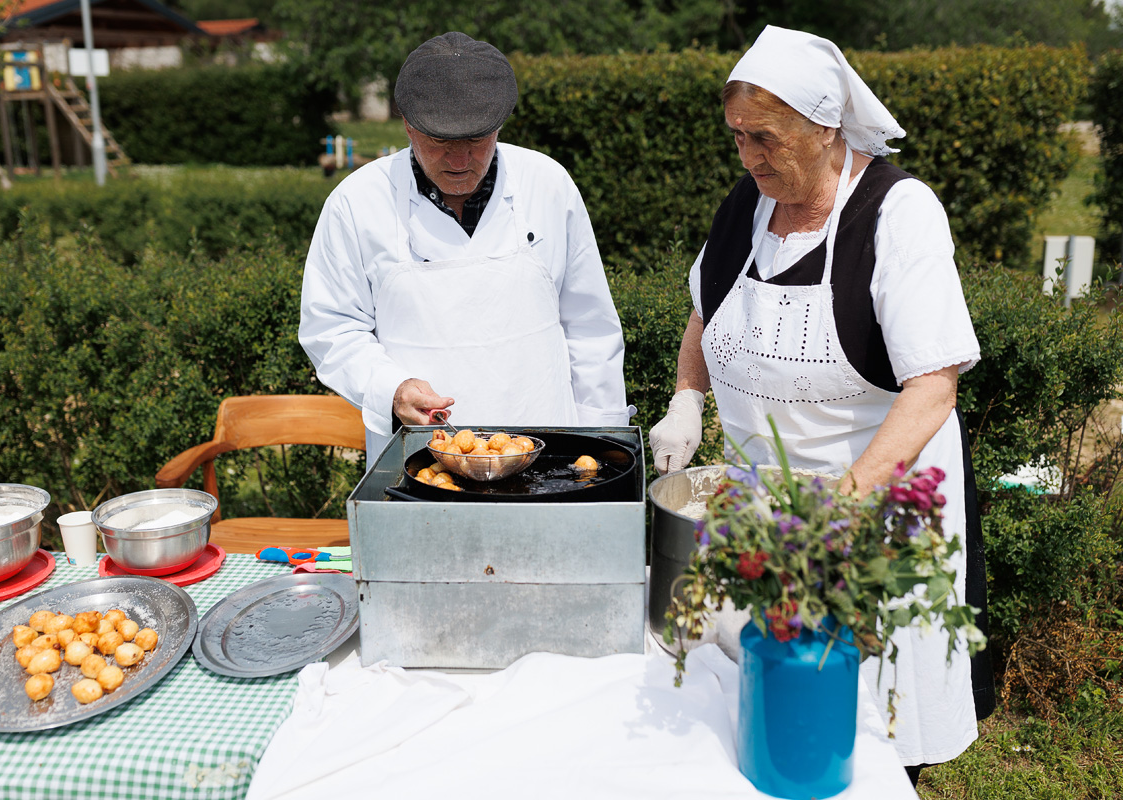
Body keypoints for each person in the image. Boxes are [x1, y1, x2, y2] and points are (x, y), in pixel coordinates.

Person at [647, 25, 994, 783]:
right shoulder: (748, 203)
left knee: (871, 718)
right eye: (736, 137)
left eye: (764, 138)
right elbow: (707, 316)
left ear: (826, 128)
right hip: (766, 504)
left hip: (873, 502)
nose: (747, 157)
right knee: (767, 687)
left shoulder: (898, 214)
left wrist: (842, 505)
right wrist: (686, 397)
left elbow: (933, 383)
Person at [299, 31, 632, 461]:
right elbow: (331, 329)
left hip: (550, 457)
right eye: (440, 142)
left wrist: (601, 444)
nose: (459, 161)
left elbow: (591, 330)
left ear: (499, 126)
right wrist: (390, 389)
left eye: (476, 141)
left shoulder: (547, 184)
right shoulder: (357, 202)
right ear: (407, 126)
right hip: (417, 460)